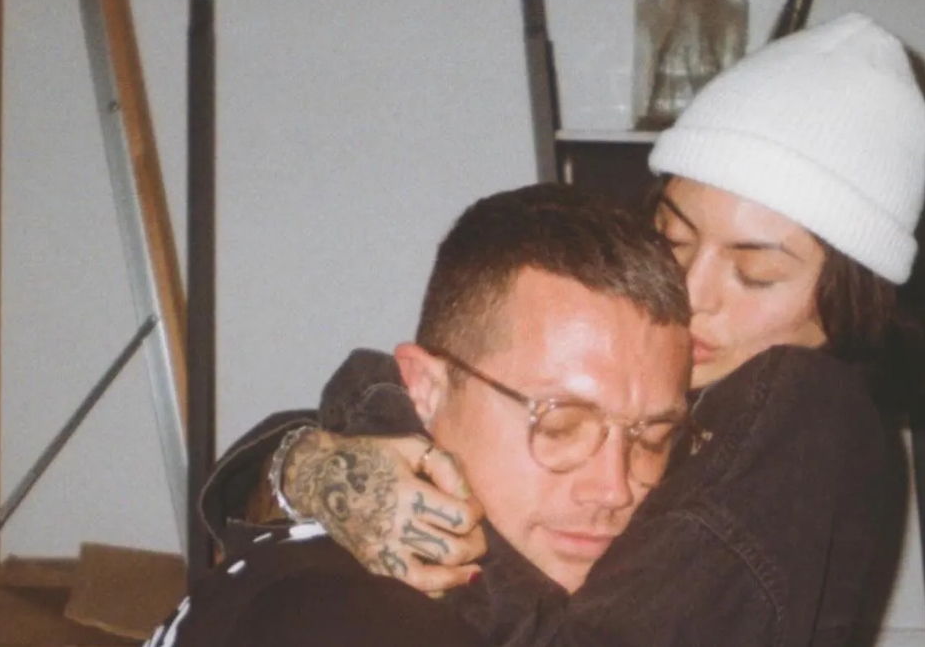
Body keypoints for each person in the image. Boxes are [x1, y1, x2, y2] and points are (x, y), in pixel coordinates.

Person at [197, 12, 925, 646]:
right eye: (675, 240)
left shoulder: (806, 409)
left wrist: (376, 457)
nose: (691, 293)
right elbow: (242, 484)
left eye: (756, 272)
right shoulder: (687, 385)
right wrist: (304, 463)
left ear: (849, 301)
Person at [154, 182, 697, 645]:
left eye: (652, 437)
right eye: (560, 424)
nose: (614, 489)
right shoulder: (343, 616)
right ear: (425, 388)